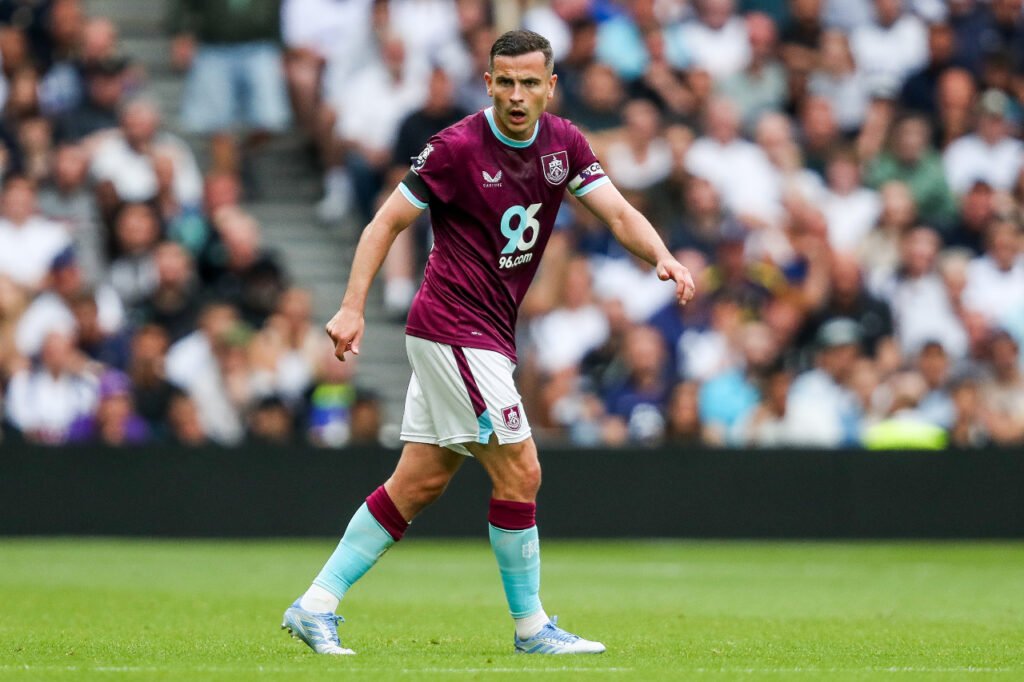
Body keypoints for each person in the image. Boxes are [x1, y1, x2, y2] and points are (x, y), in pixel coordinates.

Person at [281, 30, 695, 657]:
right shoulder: (453, 148)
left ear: (551, 86)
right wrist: (352, 306)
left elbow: (617, 213)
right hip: (454, 329)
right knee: (522, 470)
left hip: (486, 335)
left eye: (531, 82)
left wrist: (661, 254)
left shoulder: (565, 143)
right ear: (489, 83)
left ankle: (315, 605)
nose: (518, 95)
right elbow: (385, 222)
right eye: (506, 81)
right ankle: (532, 629)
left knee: (417, 483)